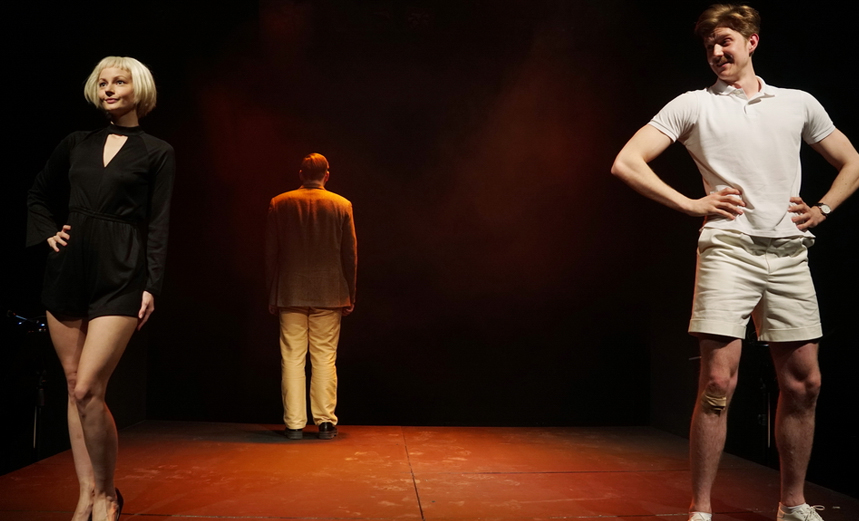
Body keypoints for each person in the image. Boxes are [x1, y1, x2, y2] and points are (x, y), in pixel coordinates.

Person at [610, 5, 859, 521]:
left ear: (752, 42)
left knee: (804, 384)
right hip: (728, 250)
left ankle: (792, 504)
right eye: (709, 46)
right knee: (718, 384)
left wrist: (823, 209)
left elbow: (852, 161)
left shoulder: (797, 102)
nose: (717, 52)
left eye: (725, 41)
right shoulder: (693, 105)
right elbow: (626, 162)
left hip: (789, 253)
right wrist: (690, 204)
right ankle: (700, 510)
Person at [26, 56, 175, 521]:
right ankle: (86, 493)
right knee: (74, 386)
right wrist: (47, 233)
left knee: (91, 386)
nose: (109, 89)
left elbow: (159, 223)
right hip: (68, 270)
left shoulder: (157, 151)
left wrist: (152, 283)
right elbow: (37, 193)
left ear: (138, 89)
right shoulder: (76, 142)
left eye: (119, 81)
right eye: (103, 83)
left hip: (122, 272)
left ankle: (108, 494)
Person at [265, 153, 357, 441]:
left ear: (301, 174)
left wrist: (272, 291)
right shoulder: (342, 205)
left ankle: (294, 424)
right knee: (325, 358)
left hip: (290, 291)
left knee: (292, 358)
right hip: (330, 292)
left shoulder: (280, 203)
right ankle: (325, 422)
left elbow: (270, 253)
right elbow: (350, 255)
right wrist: (350, 292)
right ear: (326, 175)